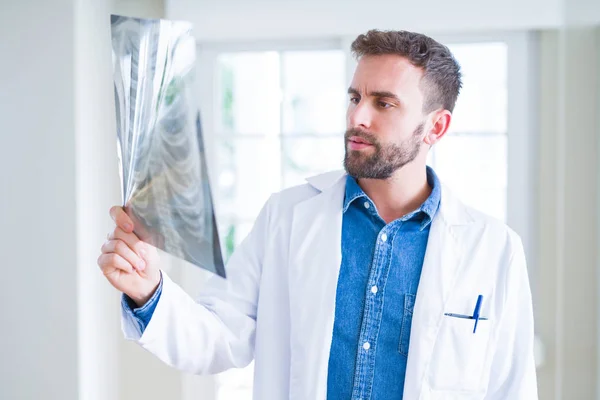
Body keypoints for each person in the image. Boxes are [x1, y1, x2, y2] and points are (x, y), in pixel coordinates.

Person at [98, 29, 538, 399]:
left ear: (435, 127)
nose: (357, 117)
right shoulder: (287, 217)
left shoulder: (494, 249)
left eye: (383, 103)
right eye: (355, 97)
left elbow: (512, 387)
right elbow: (217, 340)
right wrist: (148, 290)